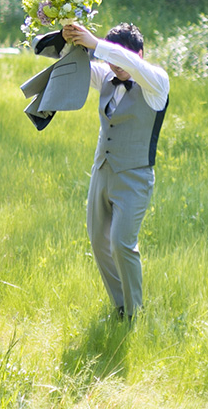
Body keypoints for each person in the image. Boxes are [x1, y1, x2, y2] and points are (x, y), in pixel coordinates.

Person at [62, 21, 170, 322]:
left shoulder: (156, 82)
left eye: (122, 58)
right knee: (99, 241)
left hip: (134, 177)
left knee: (122, 243)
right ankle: (120, 306)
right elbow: (73, 63)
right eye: (111, 59)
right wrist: (67, 32)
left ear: (141, 54)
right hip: (102, 171)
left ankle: (136, 313)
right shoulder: (106, 75)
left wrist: (96, 43)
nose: (116, 65)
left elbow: (127, 62)